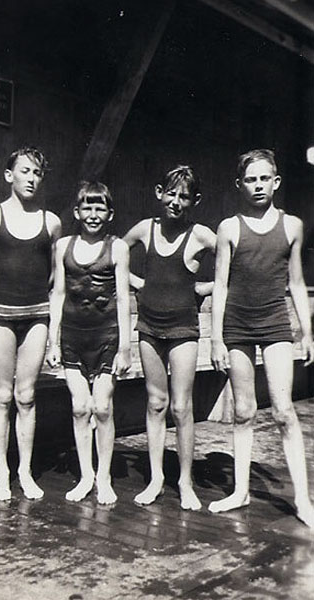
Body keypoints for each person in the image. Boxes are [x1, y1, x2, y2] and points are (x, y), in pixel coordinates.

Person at [210, 148, 314, 529]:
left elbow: (297, 283)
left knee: (284, 411)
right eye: (250, 179)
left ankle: (303, 500)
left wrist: (307, 330)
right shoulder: (228, 228)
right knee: (243, 411)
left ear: (276, 181)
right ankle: (240, 492)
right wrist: (217, 339)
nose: (257, 186)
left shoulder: (292, 226)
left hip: (274, 325)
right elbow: (220, 287)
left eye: (263, 178)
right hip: (237, 324)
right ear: (240, 184)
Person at [0, 146, 61, 501]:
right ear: (10, 175)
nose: (31, 178)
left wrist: (38, 299)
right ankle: (1, 473)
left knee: (26, 396)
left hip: (36, 315)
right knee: (3, 396)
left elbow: (53, 273)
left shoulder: (51, 222)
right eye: (25, 171)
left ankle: (24, 470)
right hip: (0, 317)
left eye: (37, 173)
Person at [123, 166, 216, 508]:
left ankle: (185, 482)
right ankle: (157, 479)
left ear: (195, 200)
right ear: (159, 192)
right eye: (171, 194)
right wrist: (137, 284)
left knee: (181, 406)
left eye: (185, 196)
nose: (176, 202)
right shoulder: (145, 230)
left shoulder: (202, 235)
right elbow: (116, 253)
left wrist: (204, 288)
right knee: (156, 403)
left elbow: (235, 264)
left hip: (183, 330)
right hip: (148, 327)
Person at [47, 181, 131, 505]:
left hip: (107, 337)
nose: (93, 215)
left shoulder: (118, 247)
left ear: (109, 213)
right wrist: (53, 343)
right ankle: (85, 476)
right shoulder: (63, 247)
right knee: (80, 407)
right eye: (87, 208)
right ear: (77, 211)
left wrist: (125, 346)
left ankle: (105, 478)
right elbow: (58, 294)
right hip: (72, 336)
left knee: (102, 407)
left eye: (100, 208)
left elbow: (124, 298)